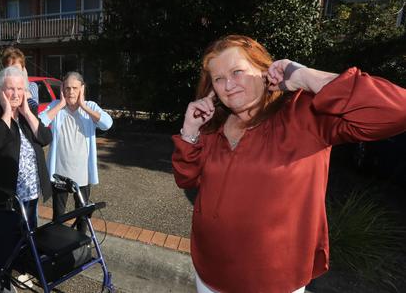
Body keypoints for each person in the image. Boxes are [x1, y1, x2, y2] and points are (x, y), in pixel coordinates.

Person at [171, 35, 406, 293]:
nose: (228, 85)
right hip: (209, 272)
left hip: (274, 280)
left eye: (237, 72)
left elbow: (397, 111)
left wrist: (306, 77)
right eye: (218, 79)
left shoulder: (304, 114)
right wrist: (190, 132)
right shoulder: (211, 127)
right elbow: (186, 178)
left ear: (263, 70)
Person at [0, 66, 52, 293]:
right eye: (10, 88)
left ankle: (20, 273)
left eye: (20, 88)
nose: (16, 93)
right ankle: (2, 283)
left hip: (29, 194)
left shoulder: (26, 112)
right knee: (2, 245)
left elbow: (45, 137)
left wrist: (27, 113)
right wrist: (6, 112)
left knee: (26, 239)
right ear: (0, 90)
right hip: (4, 196)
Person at [39, 71, 113, 234]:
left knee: (83, 213)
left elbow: (107, 124)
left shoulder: (91, 107)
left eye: (75, 88)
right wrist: (59, 105)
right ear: (62, 90)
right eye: (67, 88)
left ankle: (82, 246)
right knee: (58, 214)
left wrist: (84, 106)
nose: (71, 92)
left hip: (83, 174)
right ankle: (58, 245)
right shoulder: (55, 106)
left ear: (82, 89)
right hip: (59, 172)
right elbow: (39, 123)